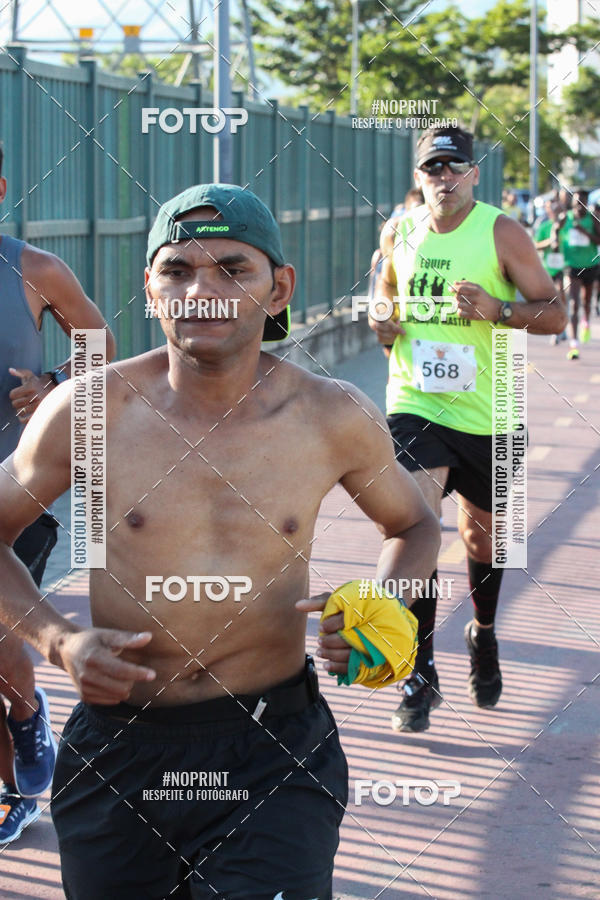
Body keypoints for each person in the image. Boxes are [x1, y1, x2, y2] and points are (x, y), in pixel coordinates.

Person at [0, 183, 440, 898]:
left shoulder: (330, 415)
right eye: (177, 270)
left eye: (233, 269)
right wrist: (58, 641)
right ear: (150, 288)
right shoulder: (85, 411)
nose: (201, 290)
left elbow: (416, 522)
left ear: (278, 289)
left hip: (274, 748)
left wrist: (383, 601)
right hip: (121, 747)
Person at [370, 125, 567, 732]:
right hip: (416, 399)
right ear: (418, 177)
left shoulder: (502, 231)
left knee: (485, 542)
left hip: (493, 407)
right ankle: (420, 673)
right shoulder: (398, 229)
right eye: (433, 169)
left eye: (455, 168)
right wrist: (382, 318)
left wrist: (499, 311)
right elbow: (383, 291)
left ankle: (483, 633)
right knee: (419, 524)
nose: (444, 180)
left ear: (474, 175)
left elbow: (554, 312)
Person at [0, 145, 117, 844]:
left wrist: (52, 388)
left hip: (17, 485)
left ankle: (20, 741)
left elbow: (101, 346)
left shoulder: (35, 270)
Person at [558, 188, 600, 359]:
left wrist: (584, 232)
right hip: (572, 266)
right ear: (573, 202)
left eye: (583, 201)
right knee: (574, 303)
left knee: (586, 301)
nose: (579, 205)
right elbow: (555, 232)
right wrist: (554, 241)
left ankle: (586, 322)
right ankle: (573, 343)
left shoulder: (593, 220)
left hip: (590, 264)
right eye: (577, 201)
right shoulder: (565, 218)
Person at [534, 199, 567, 345]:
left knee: (561, 293)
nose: (554, 209)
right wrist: (550, 242)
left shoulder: (567, 225)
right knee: (548, 300)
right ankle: (554, 328)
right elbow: (536, 245)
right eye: (550, 207)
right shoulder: (544, 226)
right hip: (548, 267)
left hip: (564, 266)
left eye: (556, 206)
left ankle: (563, 327)